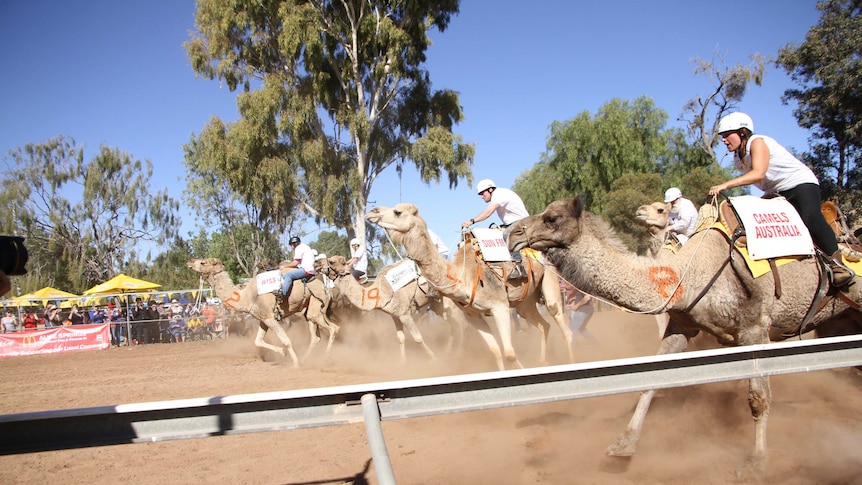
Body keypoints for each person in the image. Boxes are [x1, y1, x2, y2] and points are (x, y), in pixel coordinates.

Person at [708, 112, 855, 287]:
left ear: (742, 132)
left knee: (810, 217)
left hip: (799, 184)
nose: (724, 140)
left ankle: (838, 265)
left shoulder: (757, 142)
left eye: (726, 135)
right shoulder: (737, 159)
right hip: (777, 192)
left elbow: (758, 173)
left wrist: (725, 185)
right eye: (722, 137)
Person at [462, 179, 530, 279]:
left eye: (482, 193)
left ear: (490, 189)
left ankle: (520, 268)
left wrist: (472, 221)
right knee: (494, 232)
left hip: (522, 223)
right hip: (512, 223)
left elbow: (489, 212)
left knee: (506, 234)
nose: (481, 196)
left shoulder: (499, 194)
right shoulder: (498, 195)